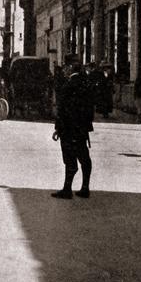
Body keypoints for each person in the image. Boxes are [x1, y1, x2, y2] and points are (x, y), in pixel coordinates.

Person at [51, 56, 93, 199]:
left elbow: (63, 110)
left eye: (65, 67)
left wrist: (58, 128)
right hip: (81, 128)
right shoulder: (86, 82)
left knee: (70, 159)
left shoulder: (68, 85)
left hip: (68, 128)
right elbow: (90, 108)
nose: (64, 70)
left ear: (69, 67)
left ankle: (67, 189)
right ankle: (85, 187)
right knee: (84, 157)